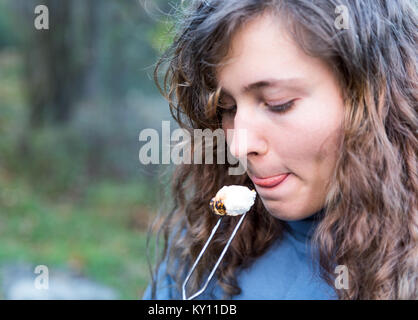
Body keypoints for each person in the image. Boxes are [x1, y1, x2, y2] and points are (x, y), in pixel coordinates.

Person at [143, 0, 417, 300]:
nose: (238, 146)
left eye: (278, 103)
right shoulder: (208, 241)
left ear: (374, 99)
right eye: (227, 108)